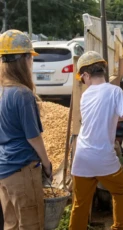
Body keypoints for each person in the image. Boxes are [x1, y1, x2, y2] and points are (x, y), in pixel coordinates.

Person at [69, 51, 123, 230]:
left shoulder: (86, 95)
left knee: (80, 204)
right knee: (120, 192)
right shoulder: (114, 91)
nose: (83, 81)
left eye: (82, 77)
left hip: (82, 157)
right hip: (103, 157)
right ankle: (118, 227)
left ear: (86, 74)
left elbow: (106, 116)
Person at [0, 29, 52, 229]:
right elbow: (33, 137)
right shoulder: (22, 94)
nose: (32, 62)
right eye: (30, 57)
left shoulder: (2, 90)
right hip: (22, 168)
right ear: (23, 59)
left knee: (11, 224)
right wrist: (46, 164)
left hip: (4, 170)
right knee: (31, 225)